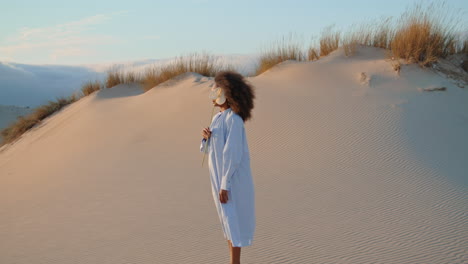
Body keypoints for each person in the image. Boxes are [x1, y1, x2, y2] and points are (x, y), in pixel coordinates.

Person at [200, 71, 256, 264]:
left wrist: (225, 185)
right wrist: (205, 138)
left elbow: (232, 154)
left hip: (231, 180)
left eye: (217, 90)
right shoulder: (217, 118)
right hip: (218, 178)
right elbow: (209, 150)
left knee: (233, 221)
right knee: (226, 221)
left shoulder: (234, 119)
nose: (213, 94)